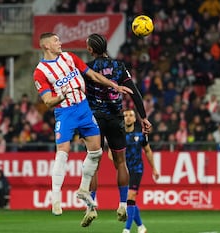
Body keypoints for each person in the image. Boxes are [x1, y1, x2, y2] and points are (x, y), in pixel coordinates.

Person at [33, 32, 133, 217]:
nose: (60, 42)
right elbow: (47, 101)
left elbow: (93, 75)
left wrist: (115, 86)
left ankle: (84, 189)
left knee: (96, 152)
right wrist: (62, 96)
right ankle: (56, 199)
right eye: (56, 40)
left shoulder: (69, 57)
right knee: (62, 151)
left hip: (85, 110)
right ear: (46, 46)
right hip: (66, 113)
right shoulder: (40, 71)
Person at [81, 33, 152, 227]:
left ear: (90, 50)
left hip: (94, 119)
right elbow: (135, 92)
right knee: (121, 162)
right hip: (115, 119)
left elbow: (78, 94)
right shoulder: (119, 67)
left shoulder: (86, 69)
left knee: (93, 160)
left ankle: (92, 206)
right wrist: (143, 117)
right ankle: (122, 204)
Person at [121, 109, 159, 233]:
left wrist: (154, 168)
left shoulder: (141, 135)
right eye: (125, 115)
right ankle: (141, 227)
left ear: (134, 118)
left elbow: (148, 150)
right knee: (129, 200)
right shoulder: (119, 136)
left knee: (131, 196)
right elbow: (111, 153)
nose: (128, 117)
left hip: (137, 169)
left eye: (130, 115)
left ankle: (126, 230)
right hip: (124, 171)